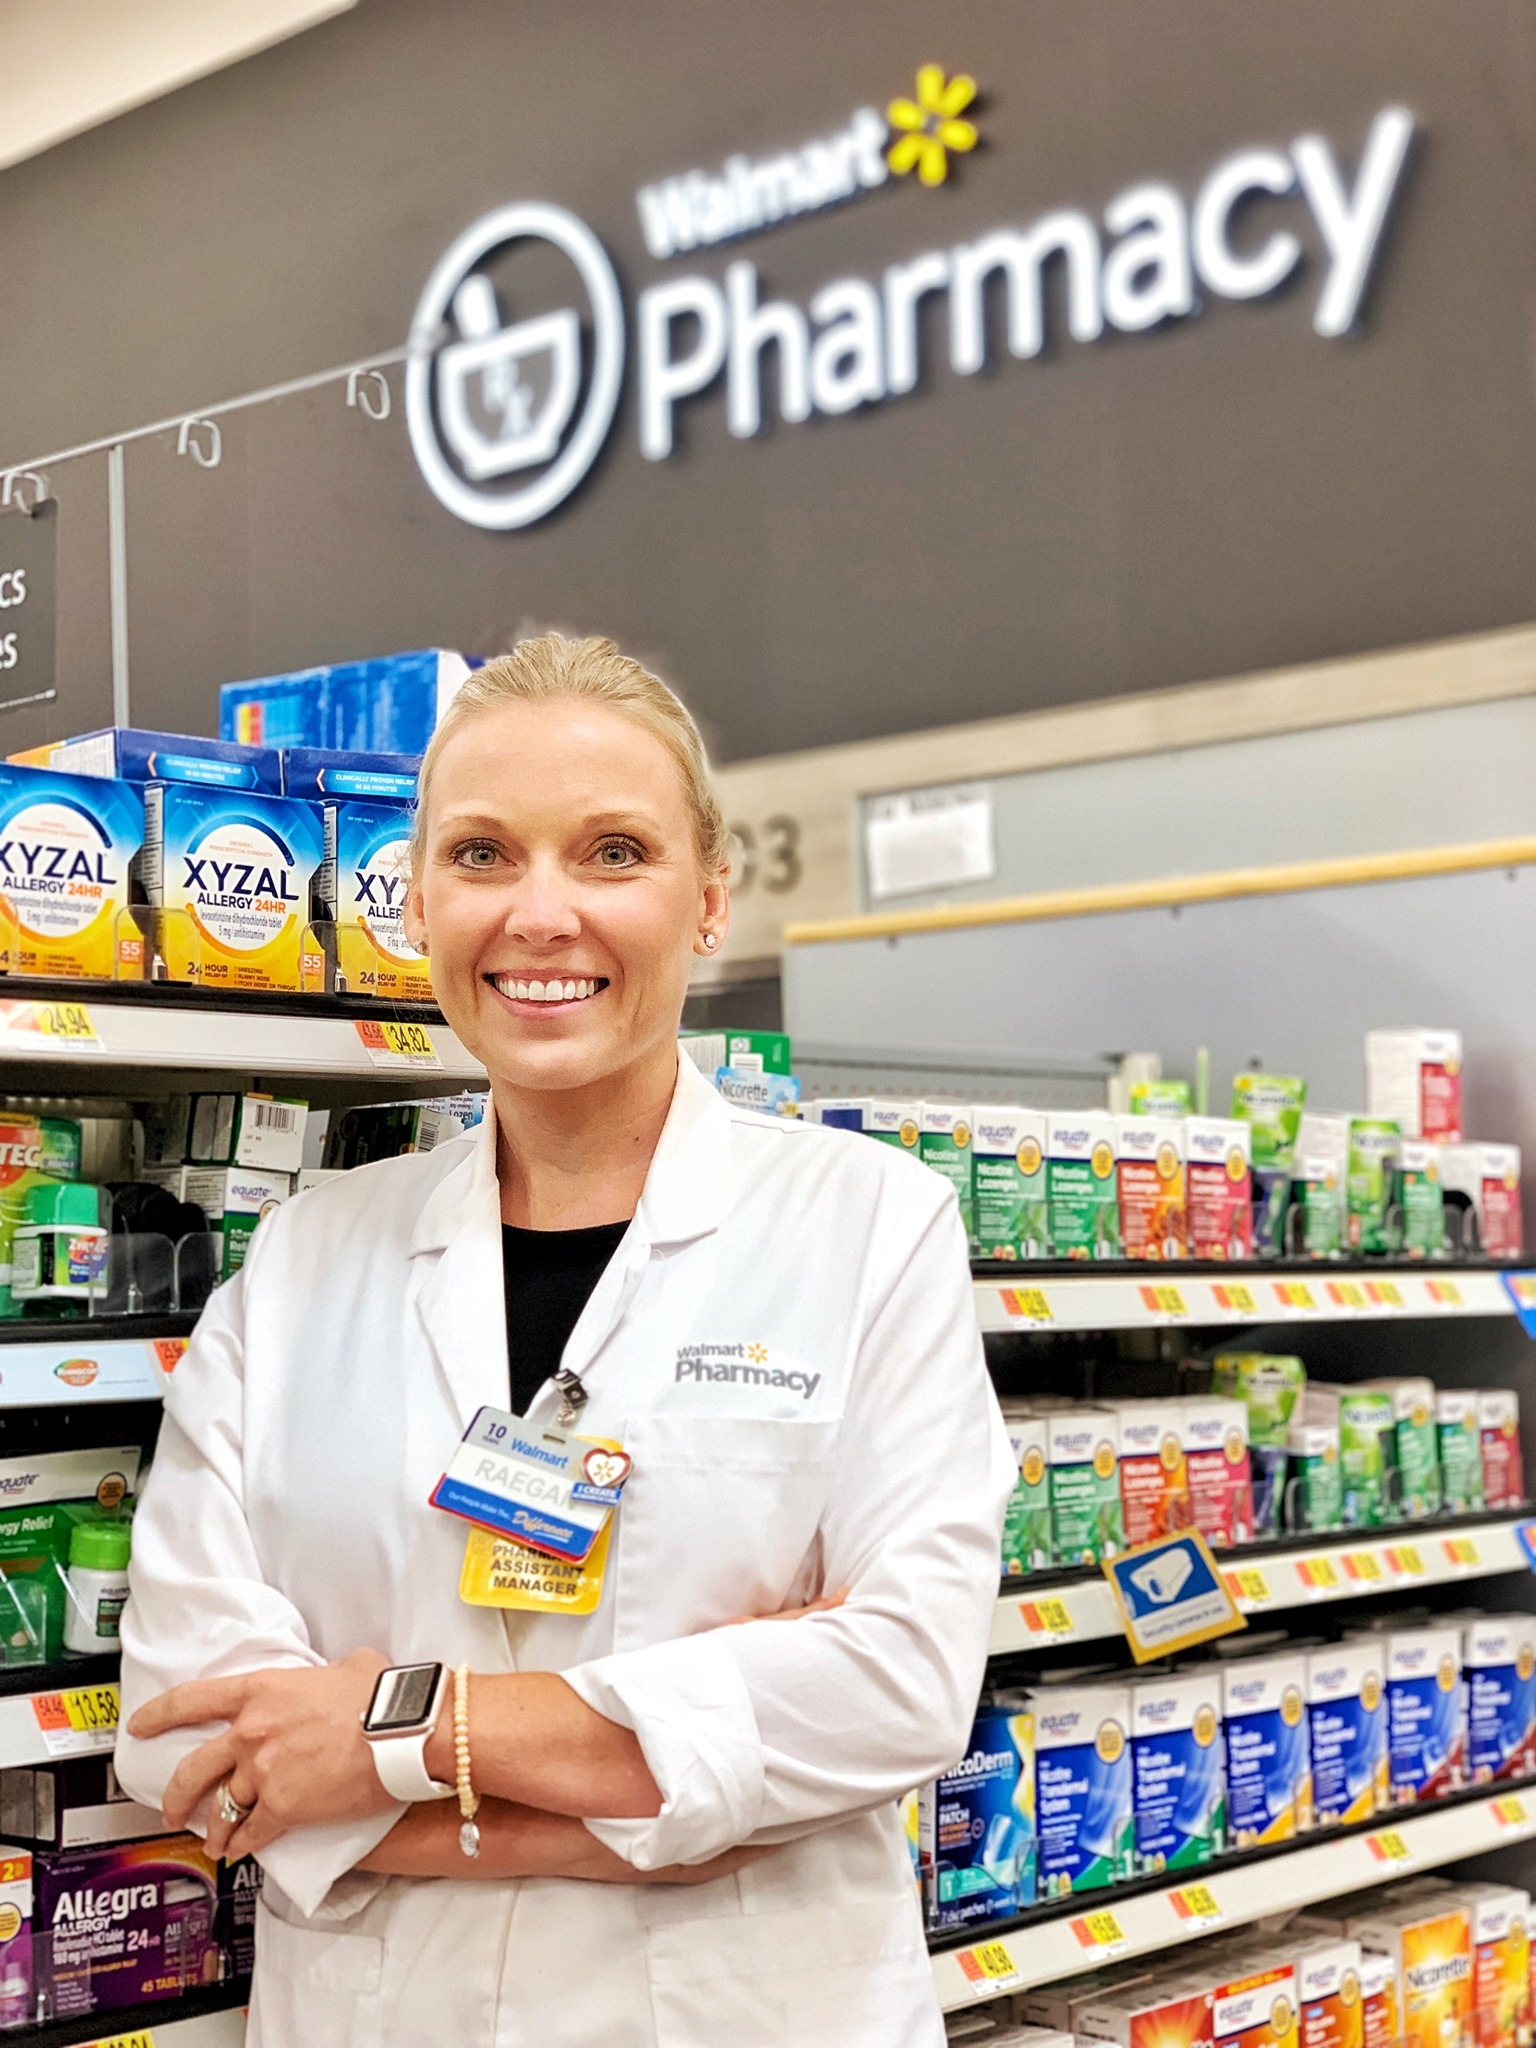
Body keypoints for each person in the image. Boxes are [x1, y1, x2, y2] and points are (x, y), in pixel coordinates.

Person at [115, 632, 1014, 2048]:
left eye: (613, 853)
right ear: (417, 900)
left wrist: (390, 1735)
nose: (541, 915)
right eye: (481, 855)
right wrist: (668, 1804)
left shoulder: (871, 1226)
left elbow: (900, 1685)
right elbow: (190, 1728)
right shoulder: (302, 1259)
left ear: (707, 900)